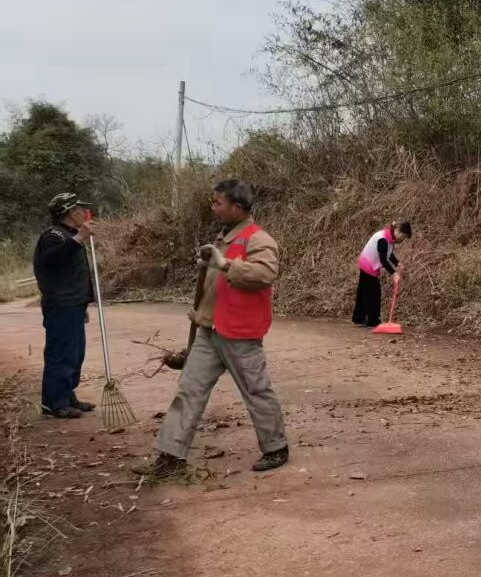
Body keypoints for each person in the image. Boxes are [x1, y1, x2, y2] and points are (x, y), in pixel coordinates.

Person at [133, 179, 289, 479]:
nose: (213, 207)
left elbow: (266, 273)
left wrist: (226, 264)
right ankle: (170, 456)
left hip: (241, 333)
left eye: (219, 203)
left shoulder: (259, 239)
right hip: (210, 330)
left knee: (256, 391)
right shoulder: (223, 238)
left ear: (238, 207)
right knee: (189, 390)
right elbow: (214, 285)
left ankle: (276, 447)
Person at [32, 193, 97, 419]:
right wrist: (79, 238)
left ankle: (66, 395)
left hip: (73, 303)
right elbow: (52, 261)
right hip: (60, 304)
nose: (84, 213)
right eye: (80, 209)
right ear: (71, 212)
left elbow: (75, 273)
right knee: (60, 353)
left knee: (74, 353)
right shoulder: (53, 236)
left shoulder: (68, 235)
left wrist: (84, 302)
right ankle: (54, 403)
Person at [352, 221, 412, 327]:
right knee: (374, 293)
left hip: (366, 262)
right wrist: (394, 274)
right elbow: (383, 259)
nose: (402, 240)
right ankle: (373, 320)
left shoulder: (389, 237)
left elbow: (388, 253)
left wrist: (397, 263)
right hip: (368, 264)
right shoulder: (383, 239)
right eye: (403, 237)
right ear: (398, 231)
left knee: (364, 291)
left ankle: (359, 318)